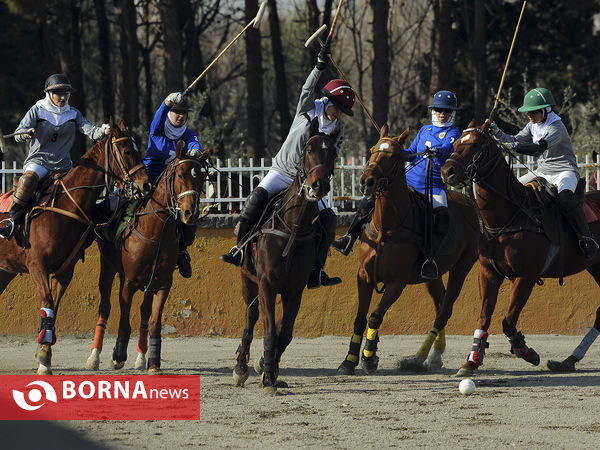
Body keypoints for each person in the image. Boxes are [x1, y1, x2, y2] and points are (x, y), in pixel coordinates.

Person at [220, 43, 355, 289]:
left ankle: (317, 270)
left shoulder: (338, 129)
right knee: (256, 200)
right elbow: (306, 88)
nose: (339, 114)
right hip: (283, 173)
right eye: (338, 108)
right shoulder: (308, 109)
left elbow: (332, 156)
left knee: (328, 218)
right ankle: (239, 250)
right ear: (328, 101)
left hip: (311, 182)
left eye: (344, 112)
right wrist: (319, 66)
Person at [333, 90, 461, 279]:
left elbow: (449, 148)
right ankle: (348, 238)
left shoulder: (453, 132)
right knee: (370, 200)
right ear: (433, 111)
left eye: (447, 111)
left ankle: (429, 259)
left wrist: (437, 150)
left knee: (441, 218)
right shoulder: (425, 130)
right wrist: (391, 147)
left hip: (433, 187)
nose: (442, 113)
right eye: (439, 109)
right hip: (410, 182)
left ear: (452, 113)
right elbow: (410, 151)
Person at [490, 87, 598, 260]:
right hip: (542, 172)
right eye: (528, 113)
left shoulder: (557, 127)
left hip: (564, 171)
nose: (530, 116)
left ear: (545, 110)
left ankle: (586, 238)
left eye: (533, 112)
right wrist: (497, 132)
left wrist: (513, 146)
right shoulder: (531, 126)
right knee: (511, 189)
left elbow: (537, 148)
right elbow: (515, 140)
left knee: (565, 199)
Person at [0, 74, 110, 240]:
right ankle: (11, 222)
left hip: (64, 165)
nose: (63, 96)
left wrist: (103, 131)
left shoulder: (73, 114)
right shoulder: (37, 110)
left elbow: (91, 131)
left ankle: (89, 227)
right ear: (49, 94)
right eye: (58, 92)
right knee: (27, 181)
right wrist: (26, 134)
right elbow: (18, 134)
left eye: (66, 92)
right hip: (39, 162)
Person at [143, 91, 203, 278]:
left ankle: (182, 251)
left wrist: (194, 152)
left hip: (174, 185)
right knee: (127, 204)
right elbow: (160, 112)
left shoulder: (189, 134)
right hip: (150, 179)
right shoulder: (158, 129)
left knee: (191, 209)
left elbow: (196, 145)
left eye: (183, 113)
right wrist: (168, 100)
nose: (180, 115)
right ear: (169, 113)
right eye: (176, 111)